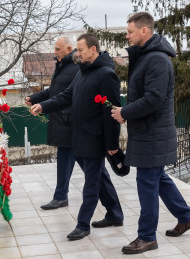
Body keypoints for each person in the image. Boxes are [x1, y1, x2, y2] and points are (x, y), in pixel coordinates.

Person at [111, 12, 190, 254]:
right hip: (149, 132)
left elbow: (153, 99)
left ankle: (147, 237)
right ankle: (187, 217)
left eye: (130, 32)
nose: (127, 36)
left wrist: (125, 112)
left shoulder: (157, 60)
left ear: (144, 31)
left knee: (147, 183)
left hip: (153, 133)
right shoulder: (147, 58)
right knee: (157, 179)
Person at [31, 33, 124, 240]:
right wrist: (43, 106)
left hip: (94, 138)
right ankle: (115, 214)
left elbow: (111, 112)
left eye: (81, 50)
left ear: (93, 49)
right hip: (78, 136)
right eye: (77, 50)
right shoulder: (82, 72)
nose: (77, 53)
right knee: (98, 177)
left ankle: (83, 224)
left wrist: (112, 143)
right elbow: (66, 97)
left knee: (91, 182)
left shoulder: (106, 74)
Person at [25, 37, 78, 210]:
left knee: (85, 164)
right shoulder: (62, 66)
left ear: (69, 49)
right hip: (62, 120)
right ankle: (61, 196)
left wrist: (42, 106)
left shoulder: (76, 67)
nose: (55, 52)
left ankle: (61, 196)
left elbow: (66, 96)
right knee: (70, 160)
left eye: (58, 49)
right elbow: (54, 91)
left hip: (69, 121)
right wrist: (35, 98)